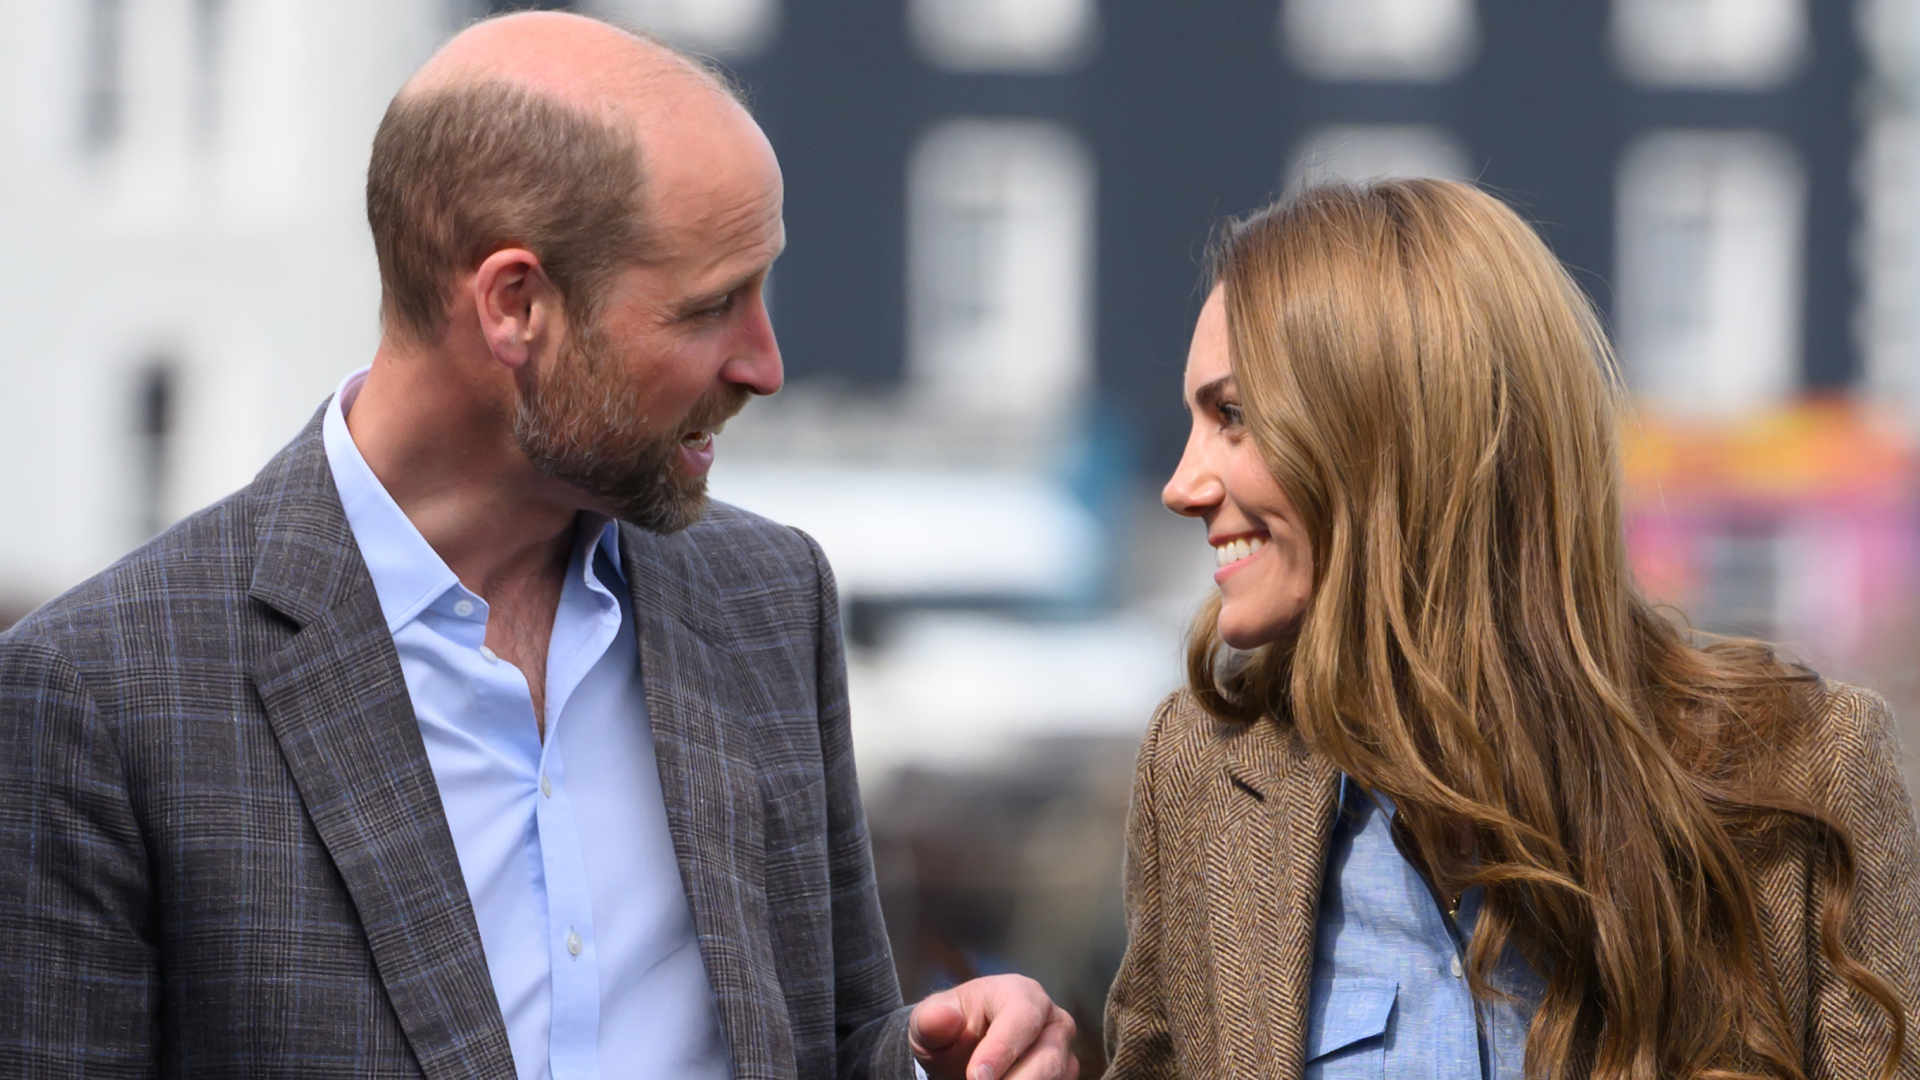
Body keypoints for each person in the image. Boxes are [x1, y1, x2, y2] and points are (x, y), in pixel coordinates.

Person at [0, 13, 1077, 1080]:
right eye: (711, 308)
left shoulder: (768, 598)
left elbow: (834, 1044)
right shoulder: (103, 695)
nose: (763, 363)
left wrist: (938, 1062)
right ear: (516, 305)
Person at [1104, 179, 1920, 1079]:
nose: (1181, 485)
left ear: (1392, 431)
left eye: (1234, 417)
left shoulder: (1801, 767)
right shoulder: (1203, 774)